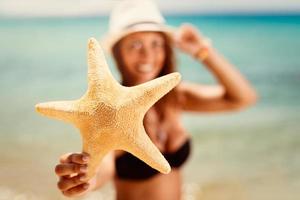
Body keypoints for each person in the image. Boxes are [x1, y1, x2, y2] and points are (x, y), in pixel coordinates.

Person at [54, 0, 257, 199]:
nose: (147, 55)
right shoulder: (109, 111)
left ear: (166, 49)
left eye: (156, 44)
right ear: (118, 53)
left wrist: (203, 51)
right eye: (135, 45)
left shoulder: (175, 98)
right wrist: (84, 179)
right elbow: (103, 167)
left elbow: (242, 99)